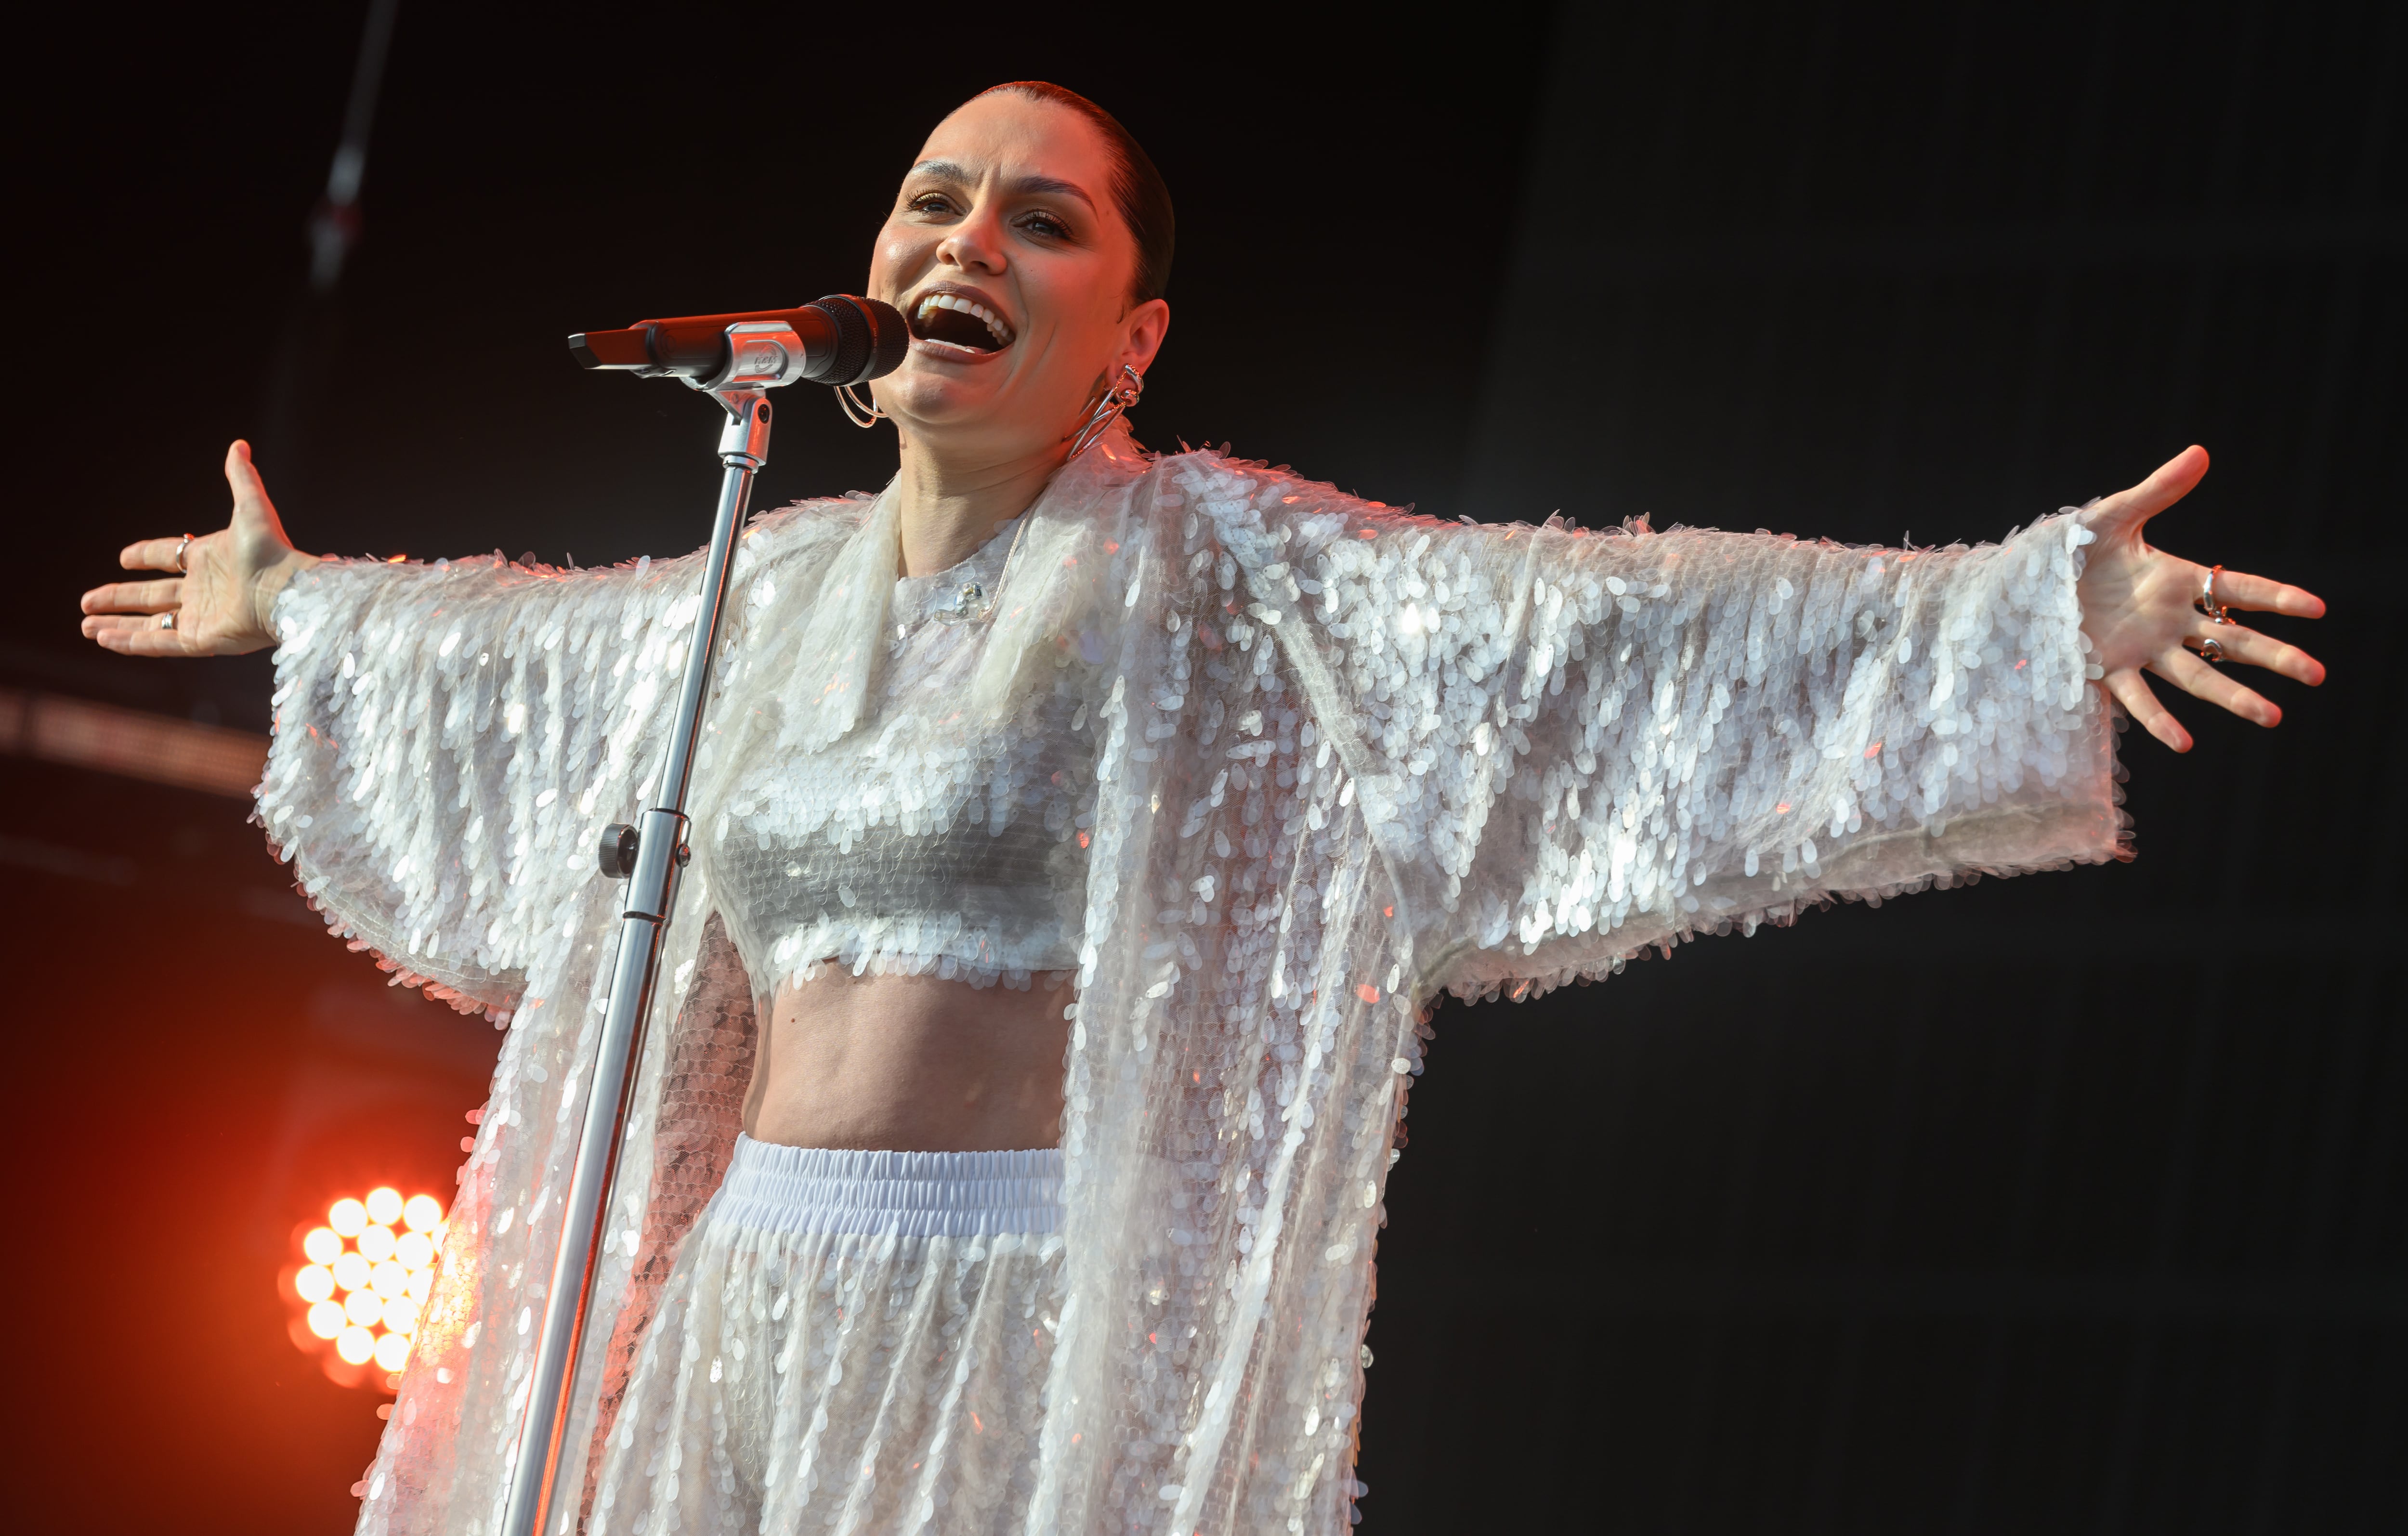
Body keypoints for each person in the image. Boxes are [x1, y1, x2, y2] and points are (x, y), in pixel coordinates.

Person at [80, 80, 2324, 1536]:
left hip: (1008, 1326)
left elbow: (1593, 632)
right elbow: (532, 666)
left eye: (1038, 220)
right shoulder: (755, 586)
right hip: (732, 1312)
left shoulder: (1229, 583)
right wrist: (311, 607)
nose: (967, 238)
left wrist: (2023, 615)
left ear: (1132, 337)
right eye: (932, 199)